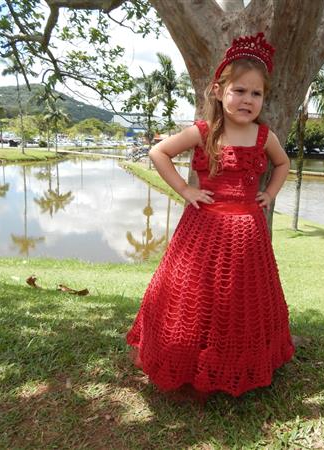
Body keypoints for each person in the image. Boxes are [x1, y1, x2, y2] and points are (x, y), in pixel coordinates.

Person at [126, 32, 295, 400]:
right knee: (195, 295)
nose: (247, 100)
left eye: (256, 93)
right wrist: (186, 191)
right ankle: (187, 364)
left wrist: (269, 192)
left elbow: (283, 164)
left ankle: (235, 366)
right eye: (239, 90)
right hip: (203, 229)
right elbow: (159, 153)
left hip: (248, 232)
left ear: (263, 98)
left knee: (241, 300)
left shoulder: (264, 135)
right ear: (219, 91)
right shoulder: (202, 132)